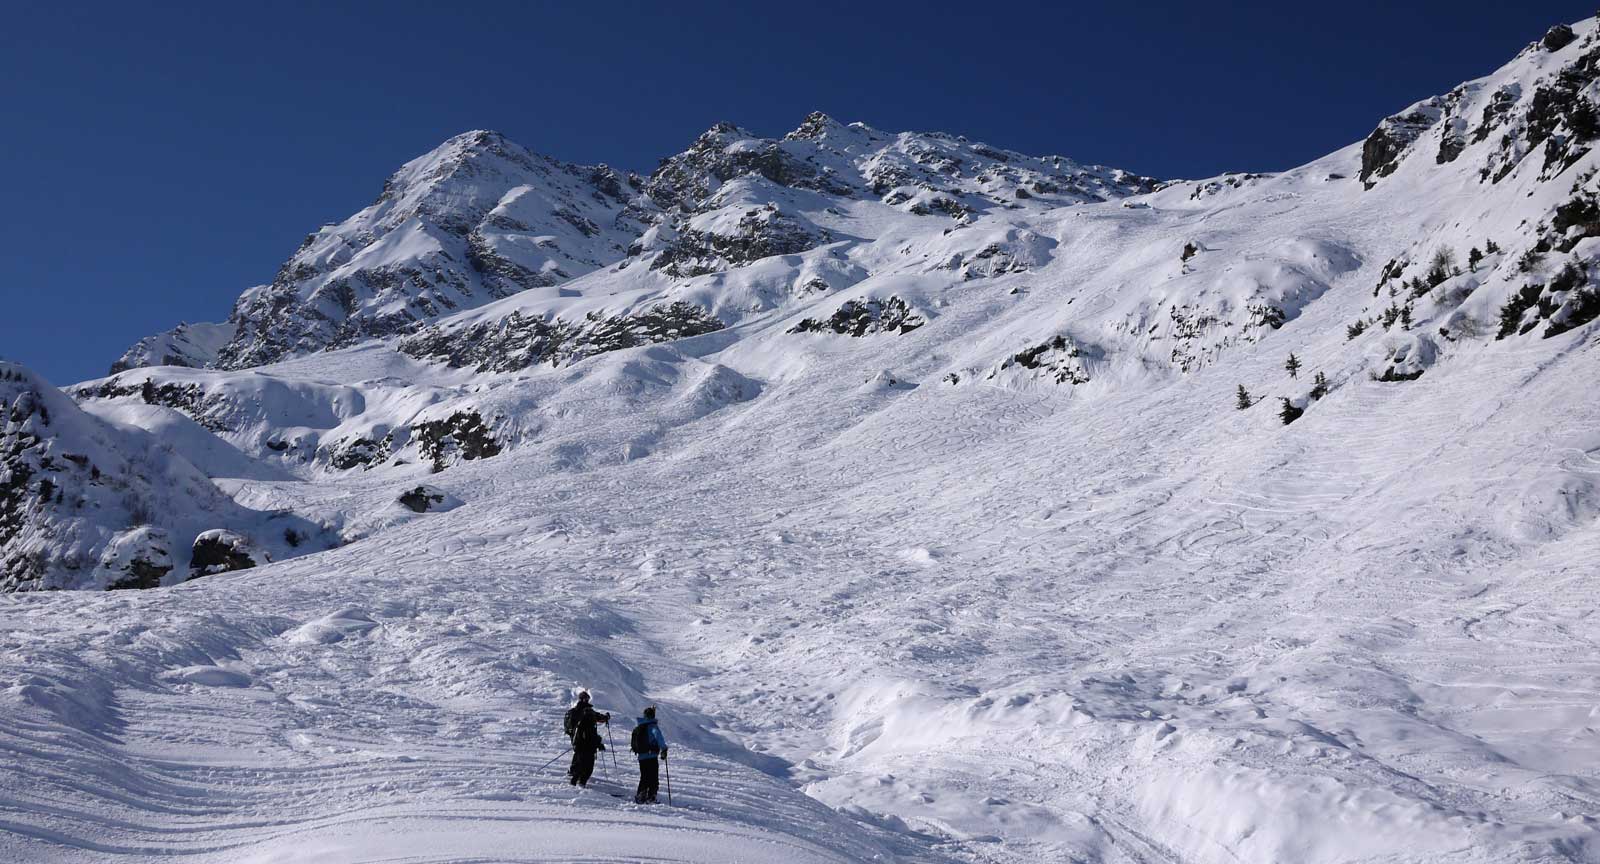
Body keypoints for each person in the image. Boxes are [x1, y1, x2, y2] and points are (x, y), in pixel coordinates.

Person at [562, 691, 609, 787]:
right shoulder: (586, 711)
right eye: (586, 699)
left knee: (579, 755)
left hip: (576, 737)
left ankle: (573, 772)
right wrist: (606, 718)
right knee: (584, 758)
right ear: (583, 699)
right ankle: (579, 778)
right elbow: (598, 718)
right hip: (585, 738)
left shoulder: (574, 711)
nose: (587, 700)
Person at [630, 705, 668, 803]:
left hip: (641, 757)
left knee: (644, 776)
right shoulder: (653, 727)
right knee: (653, 777)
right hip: (651, 756)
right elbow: (659, 738)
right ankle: (651, 797)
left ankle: (640, 795)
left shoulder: (639, 727)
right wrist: (664, 749)